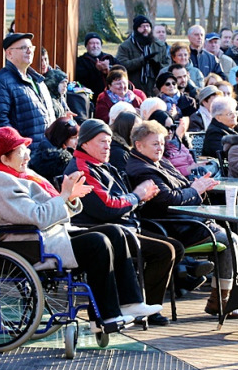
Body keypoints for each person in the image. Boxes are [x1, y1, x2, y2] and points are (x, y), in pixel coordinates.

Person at [0, 127, 162, 325]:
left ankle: (130, 302)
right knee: (97, 243)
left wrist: (71, 198)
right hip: (31, 243)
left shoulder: (23, 174)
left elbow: (53, 211)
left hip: (52, 235)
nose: (27, 155)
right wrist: (64, 196)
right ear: (5, 158)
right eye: (20, 151)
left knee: (115, 232)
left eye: (26, 149)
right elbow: (37, 217)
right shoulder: (2, 180)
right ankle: (105, 315)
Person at [124, 120, 238, 318]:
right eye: (155, 144)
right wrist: (195, 189)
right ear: (139, 145)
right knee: (231, 240)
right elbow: (167, 200)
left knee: (232, 237)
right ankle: (222, 301)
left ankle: (224, 299)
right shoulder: (141, 169)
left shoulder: (159, 161)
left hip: (187, 221)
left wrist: (198, 185)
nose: (160, 147)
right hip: (173, 226)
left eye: (162, 143)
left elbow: (182, 185)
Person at [65, 119, 180, 325]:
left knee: (173, 247)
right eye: (101, 141)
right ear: (85, 144)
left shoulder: (103, 166)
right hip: (99, 229)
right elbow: (107, 207)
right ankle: (138, 306)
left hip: (124, 226)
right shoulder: (83, 168)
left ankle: (139, 303)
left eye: (109, 141)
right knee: (165, 251)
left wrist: (141, 198)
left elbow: (122, 199)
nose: (107, 146)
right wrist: (137, 196)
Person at [0, 32, 56, 144]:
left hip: (47, 155)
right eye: (23, 48)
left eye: (31, 47)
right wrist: (20, 149)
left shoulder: (39, 81)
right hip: (24, 156)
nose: (29, 51)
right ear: (9, 54)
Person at [116, 15, 171, 96]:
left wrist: (157, 67)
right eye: (142, 26)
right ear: (136, 29)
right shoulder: (126, 46)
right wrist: (142, 61)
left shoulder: (159, 45)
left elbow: (167, 64)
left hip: (155, 87)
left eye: (147, 26)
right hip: (133, 87)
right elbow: (121, 65)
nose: (145, 29)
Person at [29, 115, 79, 181]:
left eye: (78, 137)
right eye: (73, 138)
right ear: (62, 138)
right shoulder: (56, 162)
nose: (77, 141)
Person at [76, 32, 120, 98]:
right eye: (92, 43)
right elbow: (81, 78)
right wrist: (97, 69)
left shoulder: (109, 58)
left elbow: (122, 71)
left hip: (112, 95)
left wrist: (108, 69)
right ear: (86, 46)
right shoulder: (81, 61)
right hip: (90, 97)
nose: (95, 46)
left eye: (97, 43)